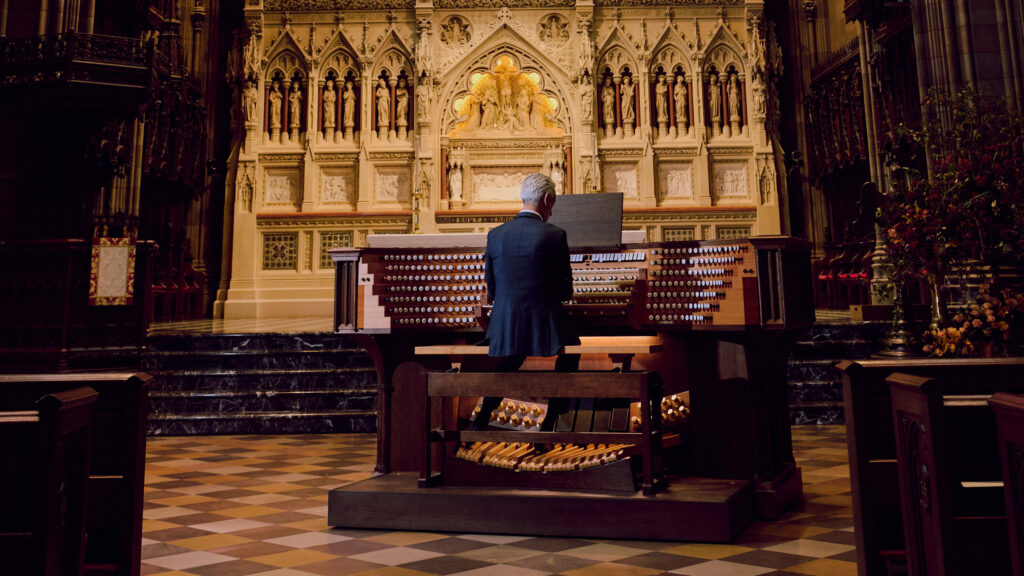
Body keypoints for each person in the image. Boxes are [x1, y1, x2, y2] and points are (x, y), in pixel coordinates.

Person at [474, 173, 580, 429]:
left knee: (513, 354)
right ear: (546, 198)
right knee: (572, 348)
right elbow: (566, 292)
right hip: (544, 325)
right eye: (552, 204)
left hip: (505, 325)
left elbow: (494, 288)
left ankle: (481, 417)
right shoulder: (555, 235)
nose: (551, 211)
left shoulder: (495, 234)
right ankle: (552, 418)